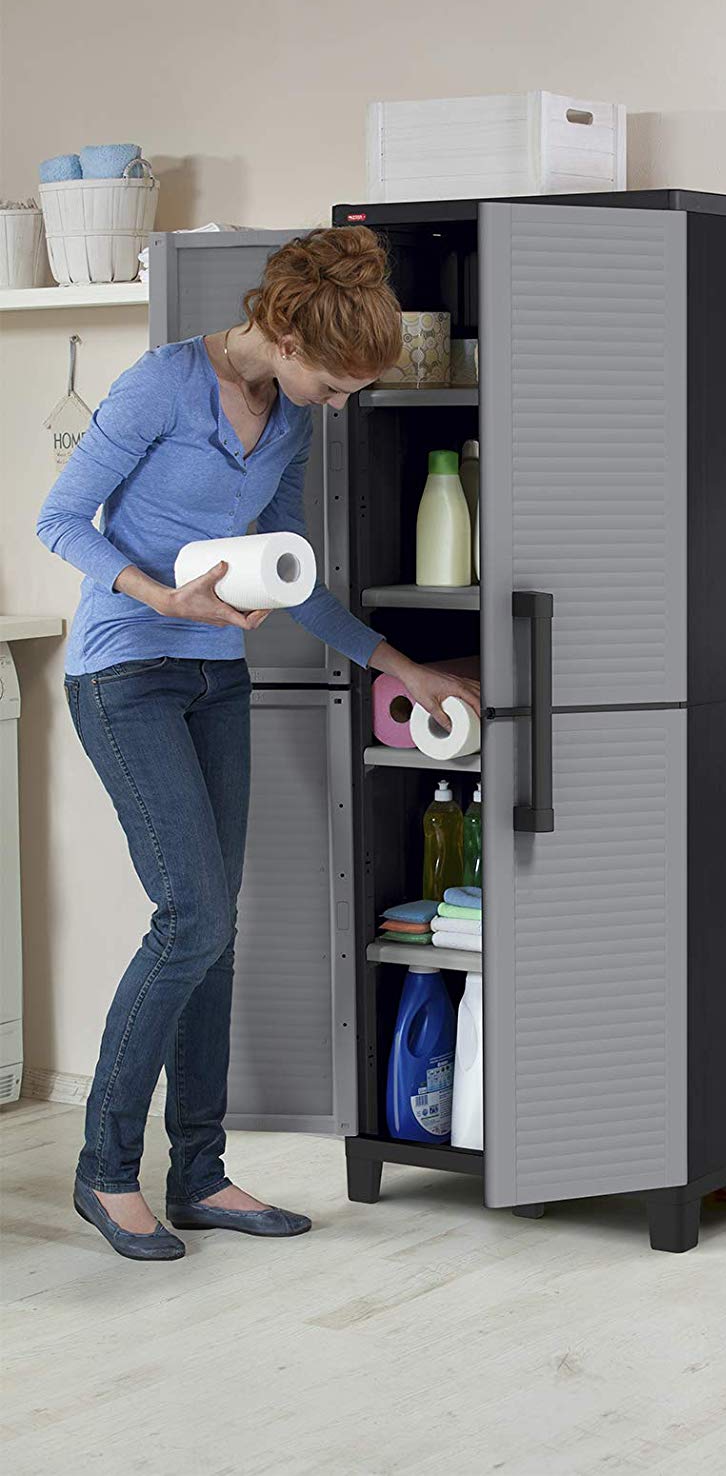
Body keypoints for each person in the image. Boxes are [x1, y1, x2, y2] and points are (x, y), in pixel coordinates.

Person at [36, 226, 481, 1261]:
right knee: (188, 917)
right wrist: (162, 597)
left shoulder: (288, 419)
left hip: (212, 681)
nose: (338, 405)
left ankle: (199, 1174)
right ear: (281, 332)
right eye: (332, 384)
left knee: (216, 928)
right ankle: (106, 1172)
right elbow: (59, 521)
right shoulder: (160, 387)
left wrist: (399, 665)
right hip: (124, 676)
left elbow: (292, 573)